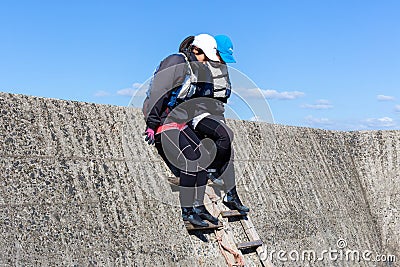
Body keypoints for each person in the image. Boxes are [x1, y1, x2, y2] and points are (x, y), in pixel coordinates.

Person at [143, 34, 220, 227]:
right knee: (190, 159)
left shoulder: (196, 69)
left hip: (178, 120)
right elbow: (159, 93)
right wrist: (152, 125)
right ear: (196, 50)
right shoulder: (176, 61)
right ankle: (187, 212)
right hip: (162, 119)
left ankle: (199, 207)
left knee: (203, 155)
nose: (207, 62)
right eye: (205, 57)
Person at [179, 35, 249, 212]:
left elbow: (225, 93)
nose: (222, 61)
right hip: (200, 114)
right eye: (221, 56)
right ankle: (212, 169)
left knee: (229, 152)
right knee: (226, 136)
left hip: (216, 113)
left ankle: (231, 195)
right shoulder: (201, 64)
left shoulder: (222, 67)